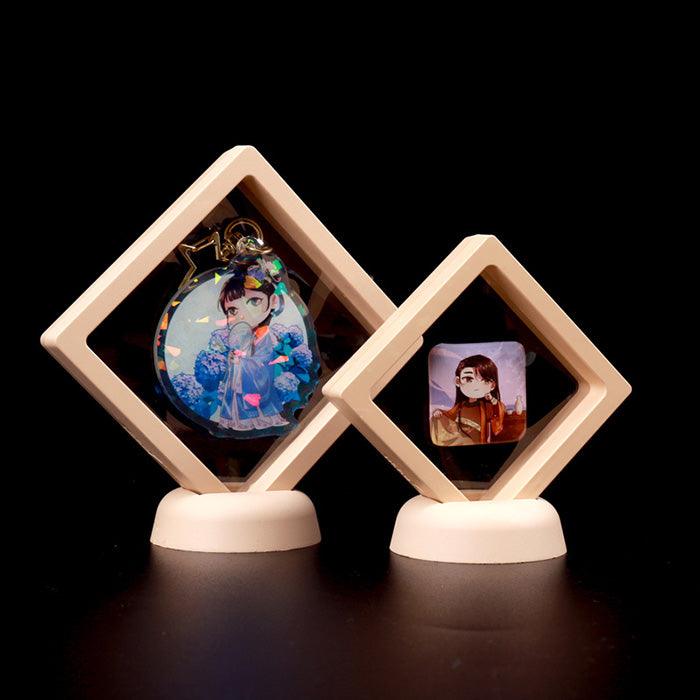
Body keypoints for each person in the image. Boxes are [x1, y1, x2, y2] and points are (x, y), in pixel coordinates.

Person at [431, 354, 506, 446]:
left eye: (485, 381)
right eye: (469, 379)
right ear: (458, 381)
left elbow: (497, 418)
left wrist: (492, 400)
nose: (476, 386)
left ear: (492, 385)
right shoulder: (461, 405)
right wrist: (440, 413)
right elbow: (450, 415)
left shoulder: (486, 406)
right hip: (460, 439)